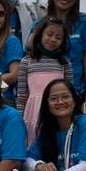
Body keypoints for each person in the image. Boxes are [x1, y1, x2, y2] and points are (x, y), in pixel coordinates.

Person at [16, 17, 73, 145]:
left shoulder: (65, 63)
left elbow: (71, 93)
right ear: (40, 35)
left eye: (58, 37)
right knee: (33, 148)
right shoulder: (26, 62)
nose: (53, 40)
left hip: (57, 113)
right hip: (33, 114)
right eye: (49, 34)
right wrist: (19, 119)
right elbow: (22, 95)